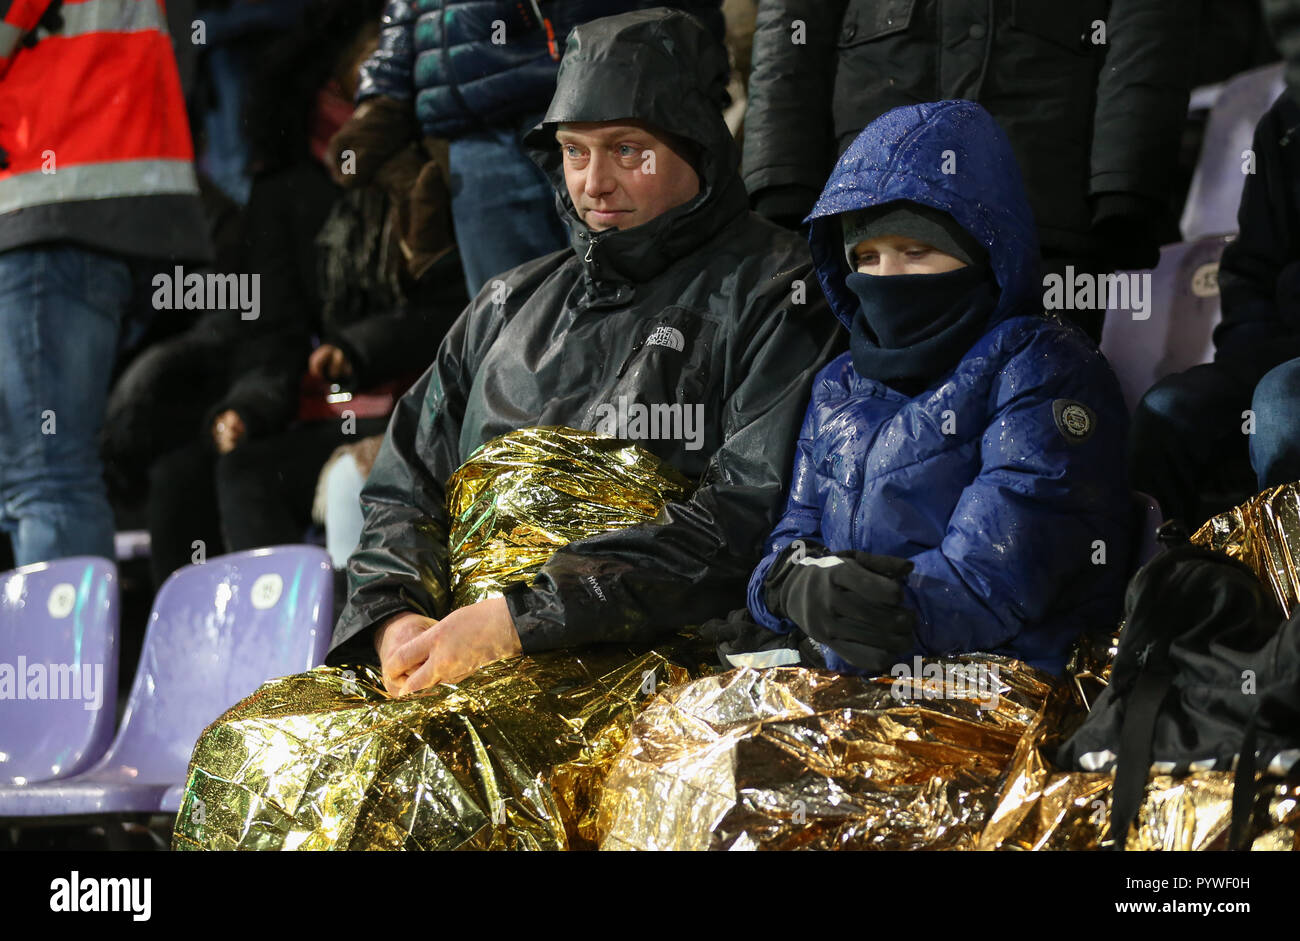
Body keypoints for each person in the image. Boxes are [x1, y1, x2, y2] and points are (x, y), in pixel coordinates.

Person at [330, 8, 840, 696]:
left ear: (696, 145)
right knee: (254, 753)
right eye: (575, 151)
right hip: (458, 660)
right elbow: (405, 485)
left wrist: (519, 622)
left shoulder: (780, 292)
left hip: (654, 671)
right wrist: (396, 616)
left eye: (628, 150)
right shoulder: (507, 301)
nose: (594, 182)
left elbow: (740, 518)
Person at [742, 100, 1133, 677]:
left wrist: (843, 626)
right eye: (866, 256)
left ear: (982, 248)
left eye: (916, 251)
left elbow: (996, 578)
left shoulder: (1043, 366)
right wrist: (786, 585)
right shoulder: (839, 383)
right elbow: (792, 533)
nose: (886, 278)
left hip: (1003, 680)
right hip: (851, 676)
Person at [741, 0, 1197, 341]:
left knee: (1038, 400)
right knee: (863, 416)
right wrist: (782, 179)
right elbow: (791, 23)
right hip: (870, 201)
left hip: (1045, 201)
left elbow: (1149, 24)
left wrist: (1126, 185)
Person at [0, 0, 210, 566]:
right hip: (82, 198)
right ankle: (48, 651)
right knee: (34, 476)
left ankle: (64, 656)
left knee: (47, 476)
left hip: (53, 204)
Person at [328, 0, 725, 296]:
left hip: (603, 104)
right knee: (507, 339)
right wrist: (385, 87)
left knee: (650, 315)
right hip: (477, 137)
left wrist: (693, 71)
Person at [1130, 90, 1300, 529]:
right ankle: (1173, 585)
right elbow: (1252, 269)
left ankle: (1283, 591)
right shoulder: (1288, 121)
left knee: (1281, 405)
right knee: (1167, 410)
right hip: (1280, 346)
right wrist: (1248, 358)